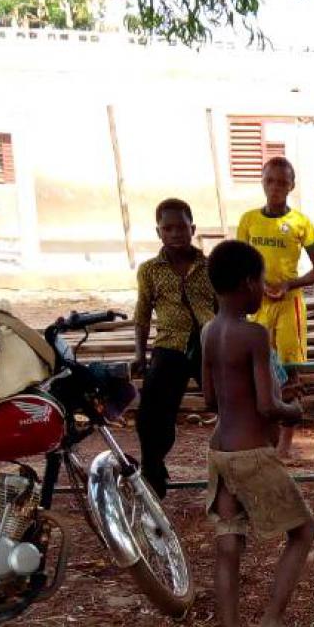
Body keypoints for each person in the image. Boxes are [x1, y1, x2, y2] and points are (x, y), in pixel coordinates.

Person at [195, 239, 314, 627]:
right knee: (304, 531)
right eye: (262, 281)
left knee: (228, 545)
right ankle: (270, 623)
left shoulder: (209, 332)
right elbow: (268, 406)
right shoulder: (254, 334)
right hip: (251, 454)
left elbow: (210, 399)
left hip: (219, 452)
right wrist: (294, 411)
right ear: (249, 283)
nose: (264, 289)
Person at [237, 157, 314, 462]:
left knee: (290, 373)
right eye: (270, 180)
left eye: (282, 182)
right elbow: (240, 262)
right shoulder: (249, 220)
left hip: (289, 306)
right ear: (262, 182)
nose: (276, 187)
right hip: (256, 304)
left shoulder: (301, 223)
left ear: (292, 185)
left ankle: (286, 444)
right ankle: (263, 435)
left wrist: (290, 284)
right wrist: (257, 286)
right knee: (259, 369)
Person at [131, 198, 216, 498]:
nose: (175, 233)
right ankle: (152, 471)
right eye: (168, 228)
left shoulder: (210, 266)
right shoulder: (150, 270)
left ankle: (236, 470)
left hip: (209, 344)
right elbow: (142, 315)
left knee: (227, 406)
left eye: (181, 227)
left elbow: (224, 306)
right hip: (170, 347)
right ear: (159, 233)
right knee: (153, 416)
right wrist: (140, 355)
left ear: (192, 228)